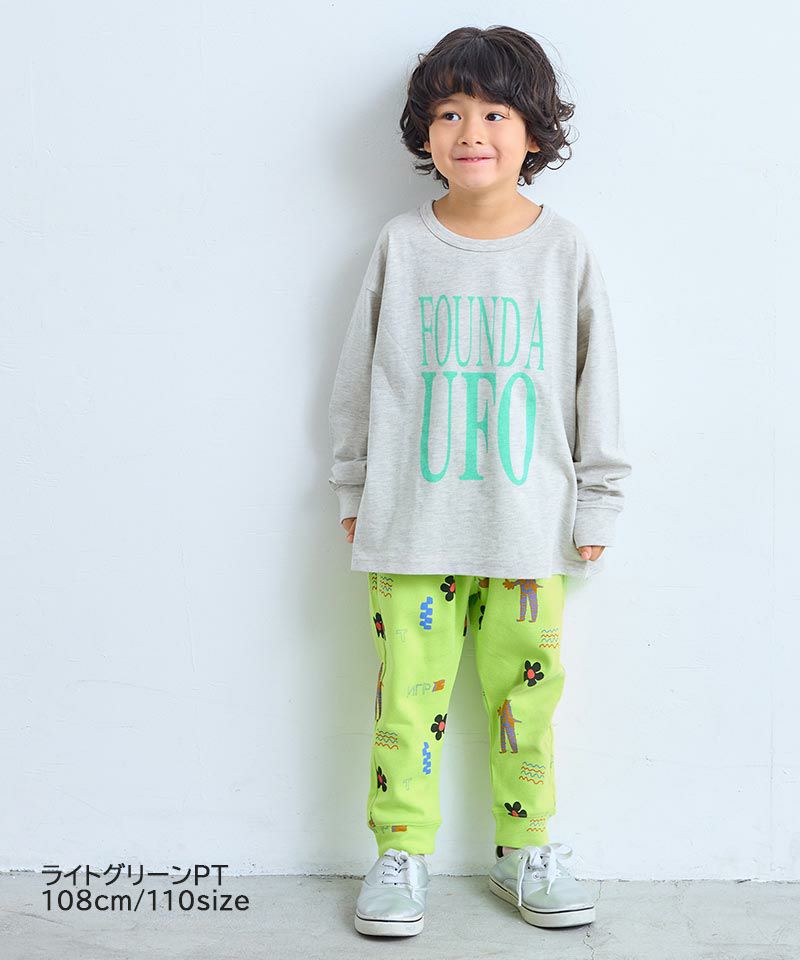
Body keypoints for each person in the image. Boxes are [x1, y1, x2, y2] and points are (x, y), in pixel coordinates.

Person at [327, 25, 632, 938]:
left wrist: (599, 499)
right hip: (409, 525)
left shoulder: (564, 250)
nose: (471, 132)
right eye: (450, 112)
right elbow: (357, 380)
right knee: (406, 701)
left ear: (534, 130)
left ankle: (526, 849)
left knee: (526, 697)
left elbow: (597, 383)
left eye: (496, 113)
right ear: (425, 131)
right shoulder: (400, 245)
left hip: (529, 526)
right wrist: (353, 489)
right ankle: (400, 854)